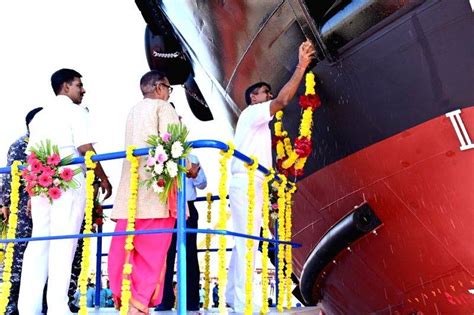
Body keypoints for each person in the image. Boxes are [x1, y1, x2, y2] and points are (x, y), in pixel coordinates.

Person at [225, 40, 315, 313]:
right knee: (249, 240)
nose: (269, 95)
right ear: (253, 98)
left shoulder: (257, 123)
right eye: (265, 92)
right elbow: (284, 100)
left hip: (254, 181)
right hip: (249, 181)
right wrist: (301, 66)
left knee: (246, 238)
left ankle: (232, 294)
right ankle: (243, 302)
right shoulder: (253, 113)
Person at [17, 68, 112, 314]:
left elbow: (30, 157)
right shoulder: (75, 111)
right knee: (64, 240)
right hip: (68, 182)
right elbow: (86, 148)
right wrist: (103, 178)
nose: (83, 90)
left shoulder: (39, 117)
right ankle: (58, 307)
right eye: (79, 85)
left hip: (40, 181)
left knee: (39, 243)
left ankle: (28, 306)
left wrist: (31, 193)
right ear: (66, 86)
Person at [108, 70, 180, 314]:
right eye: (169, 88)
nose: (169, 93)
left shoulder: (133, 111)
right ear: (160, 87)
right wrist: (190, 168)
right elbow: (174, 147)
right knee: (152, 256)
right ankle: (138, 306)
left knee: (126, 251)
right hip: (156, 196)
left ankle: (127, 303)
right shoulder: (164, 107)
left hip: (129, 197)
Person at [0, 107, 43, 315]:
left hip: (44, 205)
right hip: (22, 210)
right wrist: (5, 203)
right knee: (17, 257)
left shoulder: (46, 145)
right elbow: (9, 177)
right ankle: (8, 304)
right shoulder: (20, 146)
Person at [156, 153, 207, 311]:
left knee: (189, 254)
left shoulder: (191, 157)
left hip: (188, 208)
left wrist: (195, 173)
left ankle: (191, 301)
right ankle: (164, 301)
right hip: (166, 209)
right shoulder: (159, 156)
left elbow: (203, 184)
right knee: (165, 254)